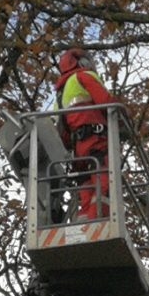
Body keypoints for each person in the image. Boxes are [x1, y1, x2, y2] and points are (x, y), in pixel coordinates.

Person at [54, 48, 121, 221]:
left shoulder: (60, 94)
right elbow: (106, 101)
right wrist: (124, 116)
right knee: (104, 183)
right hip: (95, 140)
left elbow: (60, 130)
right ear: (82, 63)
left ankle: (84, 223)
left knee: (86, 189)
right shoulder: (84, 76)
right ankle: (96, 220)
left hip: (77, 149)